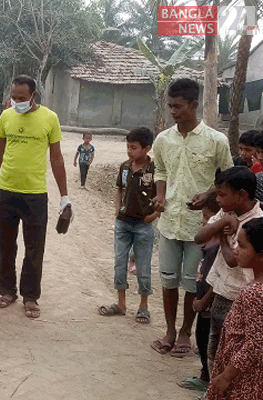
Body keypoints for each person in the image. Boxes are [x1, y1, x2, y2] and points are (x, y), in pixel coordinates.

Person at [150, 78, 233, 357]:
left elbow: (227, 177)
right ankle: (170, 331)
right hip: (169, 222)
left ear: (194, 105)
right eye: (170, 106)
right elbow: (160, 171)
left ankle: (186, 333)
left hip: (203, 227)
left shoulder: (216, 140)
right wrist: (160, 196)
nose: (173, 111)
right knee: (168, 279)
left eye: (178, 106)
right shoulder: (163, 139)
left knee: (192, 283)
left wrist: (209, 193)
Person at [0, 75, 70, 319]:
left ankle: (30, 297)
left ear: (33, 95)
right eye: (13, 97)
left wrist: (65, 196)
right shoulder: (6, 116)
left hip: (35, 195)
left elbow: (57, 158)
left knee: (34, 248)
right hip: (7, 192)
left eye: (21, 98)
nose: (16, 102)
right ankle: (7, 291)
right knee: (4, 245)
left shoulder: (50, 119)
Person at [194, 167, 261, 375]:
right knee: (216, 346)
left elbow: (233, 261)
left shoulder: (256, 223)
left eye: (222, 195)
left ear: (241, 195)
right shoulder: (226, 213)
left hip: (241, 294)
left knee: (235, 349)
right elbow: (199, 237)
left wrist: (222, 235)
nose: (219, 201)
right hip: (221, 291)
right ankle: (213, 387)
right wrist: (223, 221)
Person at [98, 127, 159, 323]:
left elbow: (162, 196)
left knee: (142, 266)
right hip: (123, 223)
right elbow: (119, 190)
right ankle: (121, 304)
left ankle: (143, 306)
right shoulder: (124, 167)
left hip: (143, 225)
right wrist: (116, 208)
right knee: (119, 262)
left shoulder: (154, 170)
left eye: (133, 147)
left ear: (147, 148)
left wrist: (154, 215)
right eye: (128, 147)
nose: (129, 151)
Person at [206, 217, 263, 399]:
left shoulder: (255, 293)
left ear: (261, 254)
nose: (236, 251)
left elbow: (256, 345)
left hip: (243, 381)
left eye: (242, 246)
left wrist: (226, 376)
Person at [178, 194, 220, 392]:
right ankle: (205, 376)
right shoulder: (208, 245)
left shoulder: (219, 247)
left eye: (207, 218)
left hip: (210, 303)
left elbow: (217, 279)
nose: (203, 222)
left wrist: (204, 300)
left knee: (211, 344)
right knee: (202, 338)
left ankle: (211, 384)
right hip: (202, 300)